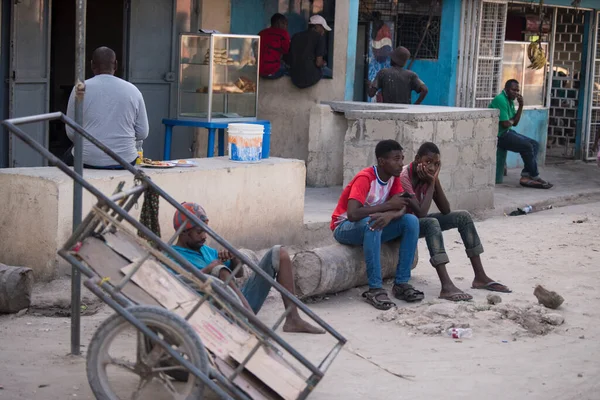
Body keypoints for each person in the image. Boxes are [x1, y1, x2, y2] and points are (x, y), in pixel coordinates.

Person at [170, 202, 324, 334]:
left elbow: (239, 273)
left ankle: (293, 319)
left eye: (205, 230)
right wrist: (209, 269)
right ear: (183, 233)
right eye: (199, 232)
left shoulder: (205, 249)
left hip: (239, 303)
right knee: (218, 271)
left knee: (280, 253)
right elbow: (177, 285)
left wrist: (233, 257)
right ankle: (252, 325)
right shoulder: (171, 255)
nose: (204, 236)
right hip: (214, 310)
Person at [400, 142, 511, 302]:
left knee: (463, 216)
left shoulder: (428, 176)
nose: (431, 167)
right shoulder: (405, 176)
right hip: (404, 225)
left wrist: (435, 180)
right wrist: (431, 183)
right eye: (428, 162)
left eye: (436, 164)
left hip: (417, 221)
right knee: (432, 223)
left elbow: (445, 209)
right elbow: (421, 213)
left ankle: (480, 276)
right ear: (418, 159)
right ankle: (446, 285)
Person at [331, 140, 421, 310]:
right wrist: (387, 207)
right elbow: (352, 214)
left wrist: (389, 215)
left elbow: (401, 207)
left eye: (402, 159)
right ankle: (375, 288)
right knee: (374, 223)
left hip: (371, 225)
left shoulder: (394, 179)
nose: (401, 164)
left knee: (411, 221)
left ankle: (401, 283)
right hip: (345, 227)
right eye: (396, 159)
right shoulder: (365, 178)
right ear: (382, 161)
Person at [66, 46, 149, 169]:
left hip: (86, 159)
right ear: (115, 65)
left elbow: (71, 132)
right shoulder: (132, 90)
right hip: (125, 160)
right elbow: (142, 133)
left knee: (66, 157)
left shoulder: (80, 89)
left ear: (92, 65)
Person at [489, 79, 553, 189]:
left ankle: (526, 176)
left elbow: (514, 123)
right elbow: (505, 124)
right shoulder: (501, 100)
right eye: (513, 90)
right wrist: (511, 121)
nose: (516, 93)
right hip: (499, 135)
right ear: (506, 89)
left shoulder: (510, 100)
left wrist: (521, 105)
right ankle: (535, 176)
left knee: (534, 144)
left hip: (507, 132)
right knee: (527, 146)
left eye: (517, 90)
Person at [288, 15, 332, 89]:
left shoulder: (295, 36)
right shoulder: (319, 38)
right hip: (310, 78)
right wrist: (323, 63)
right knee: (333, 74)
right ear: (317, 26)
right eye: (323, 29)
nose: (323, 32)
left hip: (295, 78)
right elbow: (318, 63)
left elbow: (289, 59)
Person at [258, 13, 290, 79]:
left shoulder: (261, 33)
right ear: (278, 23)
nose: (286, 27)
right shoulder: (283, 34)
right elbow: (287, 52)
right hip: (274, 71)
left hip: (259, 71)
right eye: (285, 24)